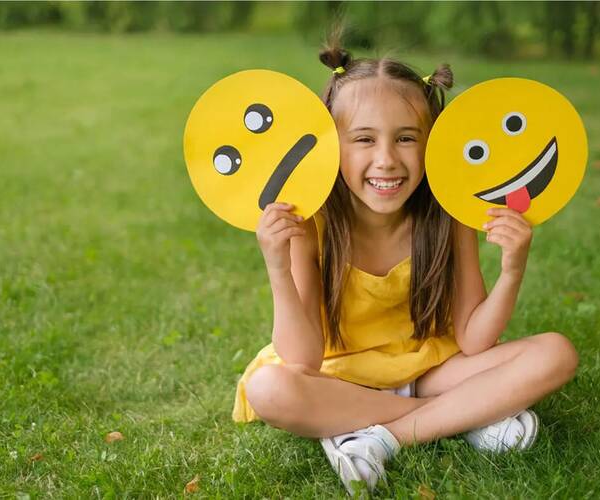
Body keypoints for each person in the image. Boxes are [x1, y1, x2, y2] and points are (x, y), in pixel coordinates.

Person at [232, 32, 579, 495]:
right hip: (339, 376)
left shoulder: (448, 213)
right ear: (331, 147)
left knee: (556, 353)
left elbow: (475, 341)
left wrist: (513, 268)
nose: (386, 160)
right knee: (270, 389)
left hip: (427, 371)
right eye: (363, 139)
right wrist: (277, 267)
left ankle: (374, 436)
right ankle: (467, 415)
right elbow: (302, 359)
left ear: (432, 142)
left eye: (406, 138)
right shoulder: (312, 219)